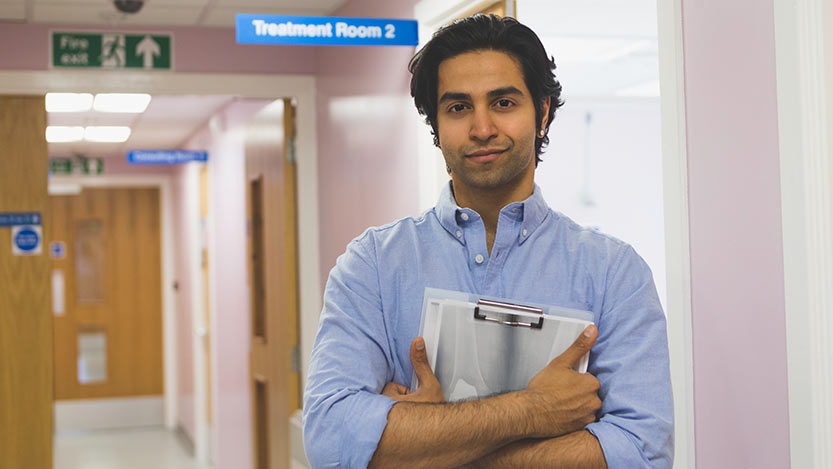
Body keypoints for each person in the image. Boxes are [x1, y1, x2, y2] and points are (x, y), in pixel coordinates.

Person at [303, 14, 673, 468]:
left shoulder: (615, 273)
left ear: (542, 113)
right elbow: (330, 440)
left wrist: (428, 441)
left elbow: (642, 451)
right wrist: (533, 411)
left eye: (503, 102)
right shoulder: (373, 265)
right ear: (436, 126)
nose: (482, 129)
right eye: (458, 107)